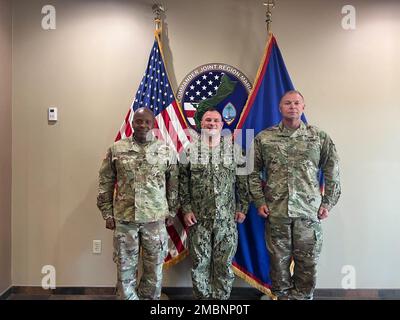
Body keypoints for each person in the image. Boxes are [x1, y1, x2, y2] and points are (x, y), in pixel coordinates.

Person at [249, 90, 341, 300]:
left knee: (307, 263)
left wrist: (328, 202)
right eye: (287, 103)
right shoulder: (264, 138)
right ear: (280, 108)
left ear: (303, 107)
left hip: (308, 213)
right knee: (278, 262)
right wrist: (259, 200)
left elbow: (332, 170)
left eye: (296, 103)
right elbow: (251, 172)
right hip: (276, 211)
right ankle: (281, 297)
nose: (292, 106)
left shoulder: (318, 137)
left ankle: (302, 297)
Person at [97, 107, 178, 300]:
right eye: (138, 121)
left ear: (153, 124)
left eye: (147, 122)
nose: (142, 125)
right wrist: (107, 213)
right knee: (125, 269)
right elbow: (105, 181)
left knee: (154, 269)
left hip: (155, 219)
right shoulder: (116, 149)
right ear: (132, 123)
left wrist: (172, 211)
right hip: (125, 219)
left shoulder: (165, 151)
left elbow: (174, 183)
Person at [179, 108, 249, 300]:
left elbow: (244, 181)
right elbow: (182, 183)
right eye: (208, 120)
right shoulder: (190, 151)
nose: (212, 124)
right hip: (198, 220)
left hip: (226, 219)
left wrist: (243, 207)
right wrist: (186, 209)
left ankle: (220, 302)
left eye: (216, 121)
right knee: (199, 263)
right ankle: (203, 302)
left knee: (224, 264)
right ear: (201, 124)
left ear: (222, 124)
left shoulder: (234, 150)